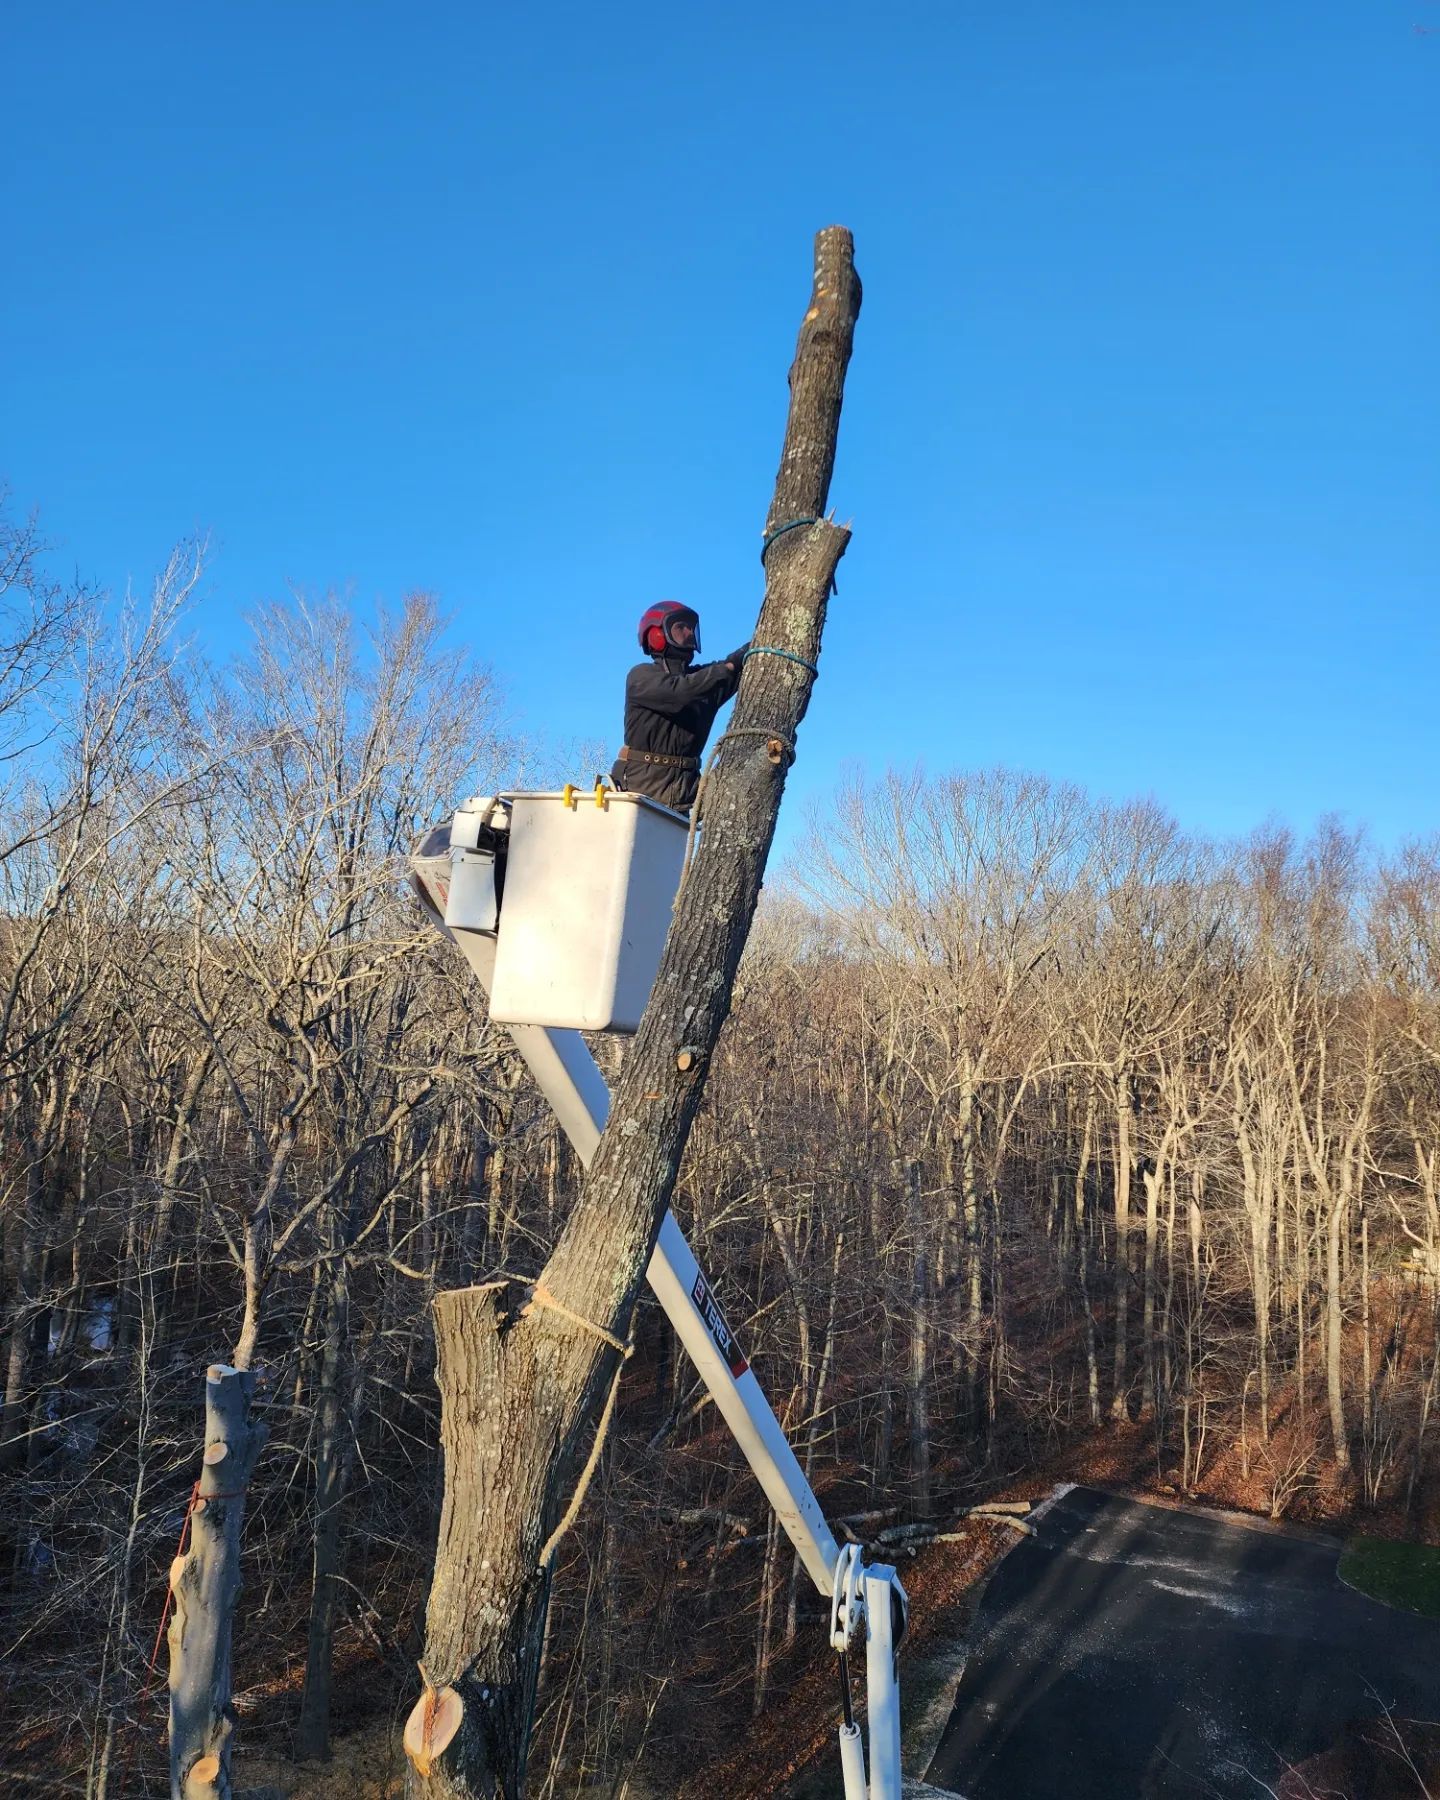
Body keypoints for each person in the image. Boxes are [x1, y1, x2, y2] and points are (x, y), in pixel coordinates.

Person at [610, 602, 750, 813]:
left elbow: (722, 675)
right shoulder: (640, 677)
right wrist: (729, 666)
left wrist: (752, 652)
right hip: (640, 788)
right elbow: (681, 693)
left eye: (692, 628)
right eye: (681, 627)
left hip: (686, 792)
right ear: (656, 634)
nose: (689, 633)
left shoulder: (703, 681)